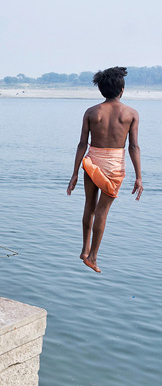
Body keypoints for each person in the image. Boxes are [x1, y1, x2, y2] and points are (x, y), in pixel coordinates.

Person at [67, 66, 142, 273]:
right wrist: (139, 177)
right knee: (102, 211)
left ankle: (84, 249)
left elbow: (82, 144)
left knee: (89, 207)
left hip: (92, 162)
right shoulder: (131, 114)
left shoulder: (91, 112)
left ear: (101, 90)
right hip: (114, 166)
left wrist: (74, 173)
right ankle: (92, 257)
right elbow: (134, 146)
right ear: (122, 89)